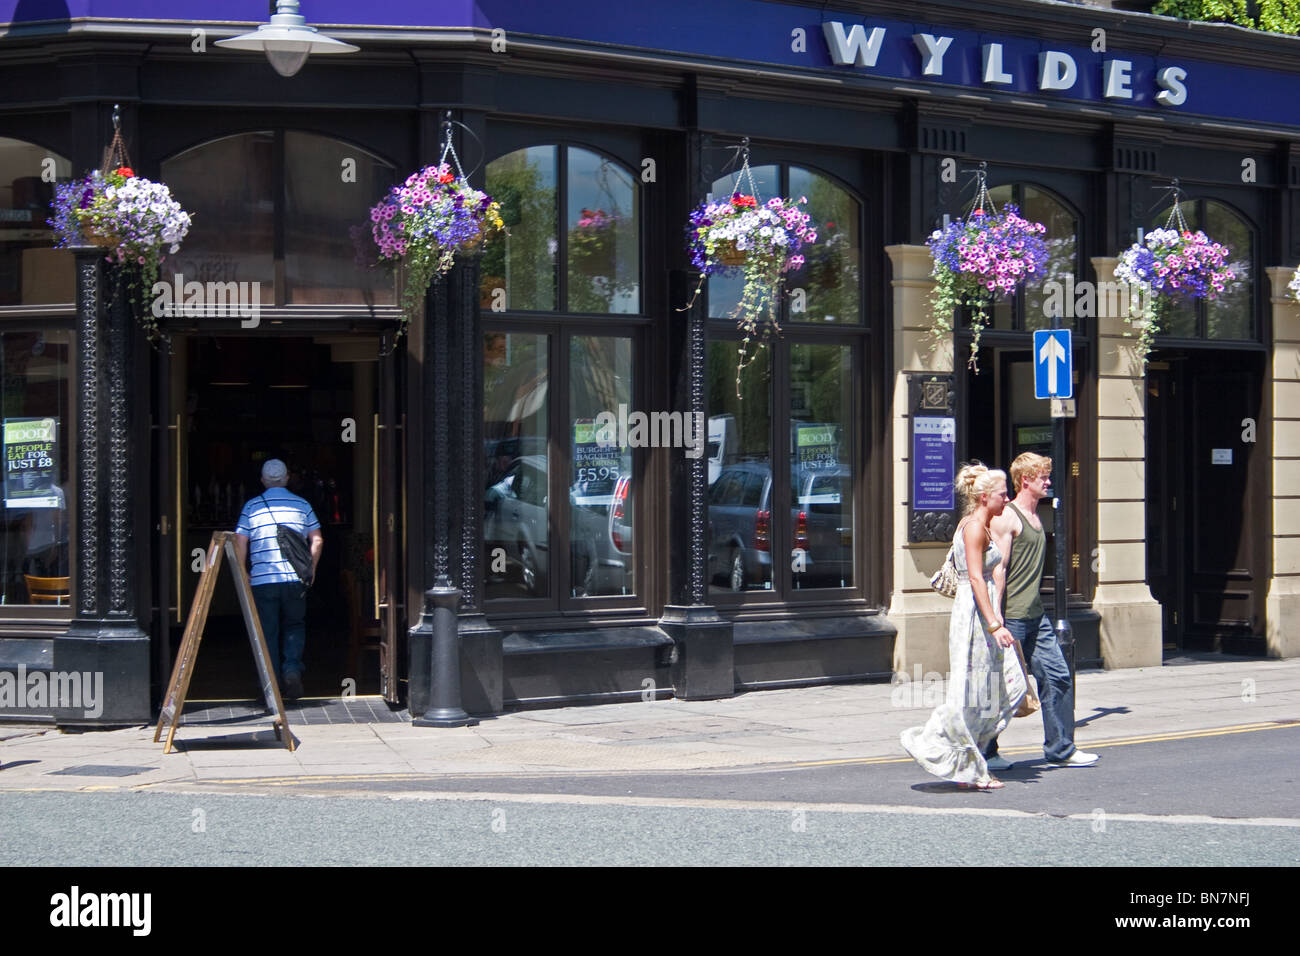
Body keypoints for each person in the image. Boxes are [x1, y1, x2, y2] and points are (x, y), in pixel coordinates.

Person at [901, 463, 1023, 790]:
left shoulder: (979, 526)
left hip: (980, 613)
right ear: (984, 497)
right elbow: (974, 578)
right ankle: (950, 754)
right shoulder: (972, 529)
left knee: (994, 690)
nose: (1007, 499)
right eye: (1002, 494)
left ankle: (970, 764)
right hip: (974, 616)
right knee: (970, 692)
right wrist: (995, 623)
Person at [984, 452, 1099, 770]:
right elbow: (998, 569)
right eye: (1043, 477)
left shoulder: (1037, 516)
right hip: (1013, 618)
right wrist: (996, 619)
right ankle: (986, 751)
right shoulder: (1008, 517)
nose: (1049, 481)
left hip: (1036, 615)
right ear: (1025, 480)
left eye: (1048, 475)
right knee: (1003, 686)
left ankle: (1061, 748)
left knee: (1059, 677)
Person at [232, 459, 323, 700]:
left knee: (266, 630)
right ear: (287, 478)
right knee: (294, 625)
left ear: (262, 480)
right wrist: (310, 569)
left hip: (263, 579)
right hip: (294, 579)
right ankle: (291, 670)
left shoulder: (252, 506)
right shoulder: (302, 504)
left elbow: (240, 540)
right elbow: (317, 539)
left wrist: (243, 570)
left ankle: (270, 682)